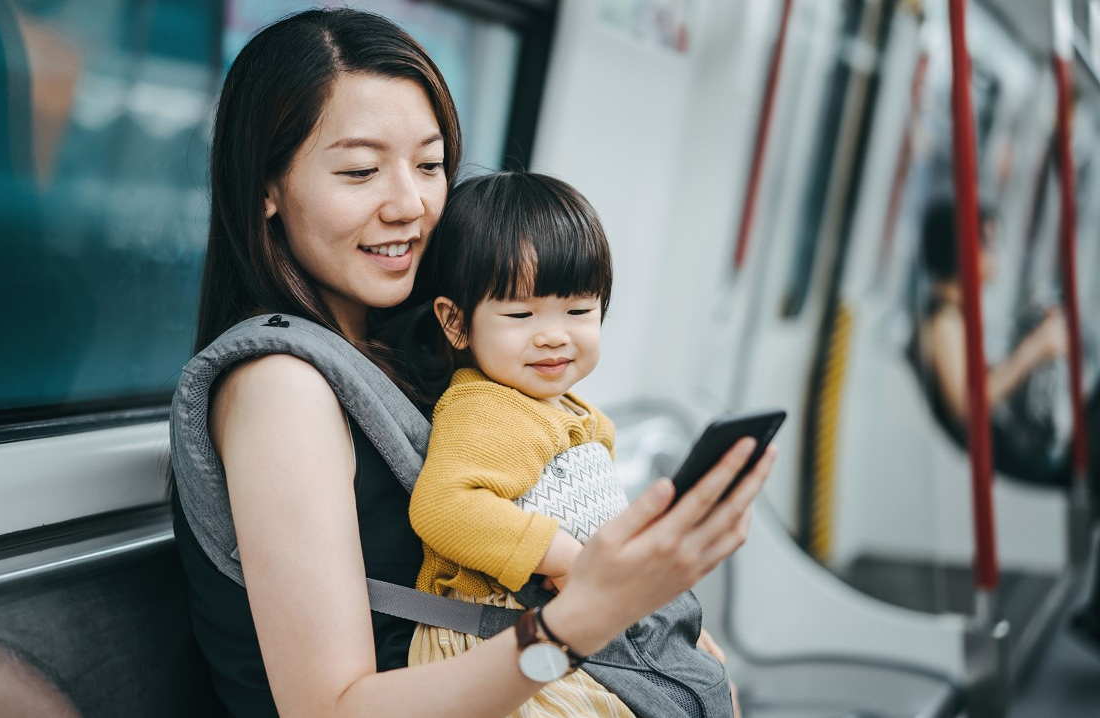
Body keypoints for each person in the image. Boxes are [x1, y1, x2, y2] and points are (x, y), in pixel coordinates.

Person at [169, 9, 775, 718]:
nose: (411, 204)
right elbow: (332, 709)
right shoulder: (282, 387)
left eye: (430, 165)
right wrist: (581, 624)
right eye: (361, 171)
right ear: (266, 187)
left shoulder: (416, 355)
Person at [403, 171, 735, 717]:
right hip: (495, 642)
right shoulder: (485, 406)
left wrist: (668, 629)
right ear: (456, 322)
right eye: (520, 314)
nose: (554, 334)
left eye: (579, 310)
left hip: (564, 634)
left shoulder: (586, 421)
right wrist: (566, 560)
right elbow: (444, 507)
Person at [907, 198, 1100, 655]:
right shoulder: (943, 322)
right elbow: (967, 408)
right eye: (988, 245)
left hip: (1002, 448)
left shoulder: (958, 317)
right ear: (962, 251)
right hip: (993, 463)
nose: (995, 257)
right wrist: (1033, 351)